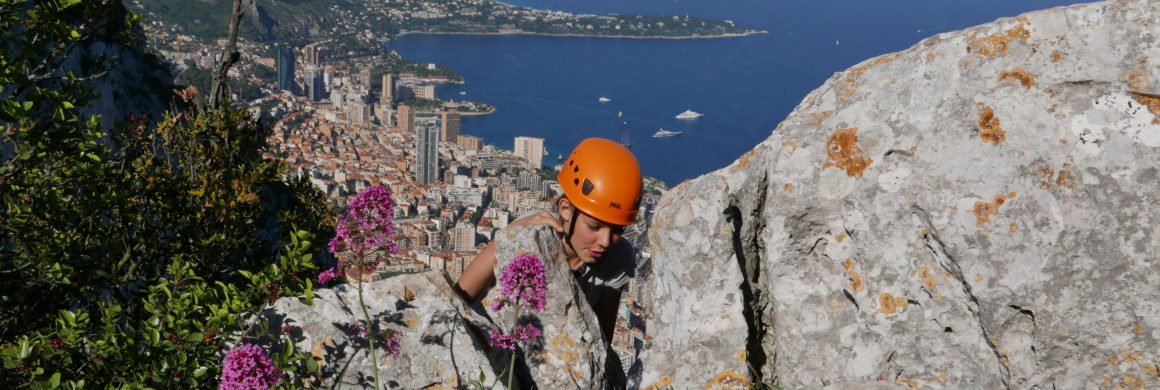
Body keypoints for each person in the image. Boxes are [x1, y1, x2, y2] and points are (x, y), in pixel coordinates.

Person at [455, 137, 643, 342]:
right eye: (594, 226)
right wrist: (510, 234)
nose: (606, 241)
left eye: (618, 230)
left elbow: (601, 341)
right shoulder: (532, 232)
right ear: (565, 210)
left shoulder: (618, 257)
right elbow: (460, 297)